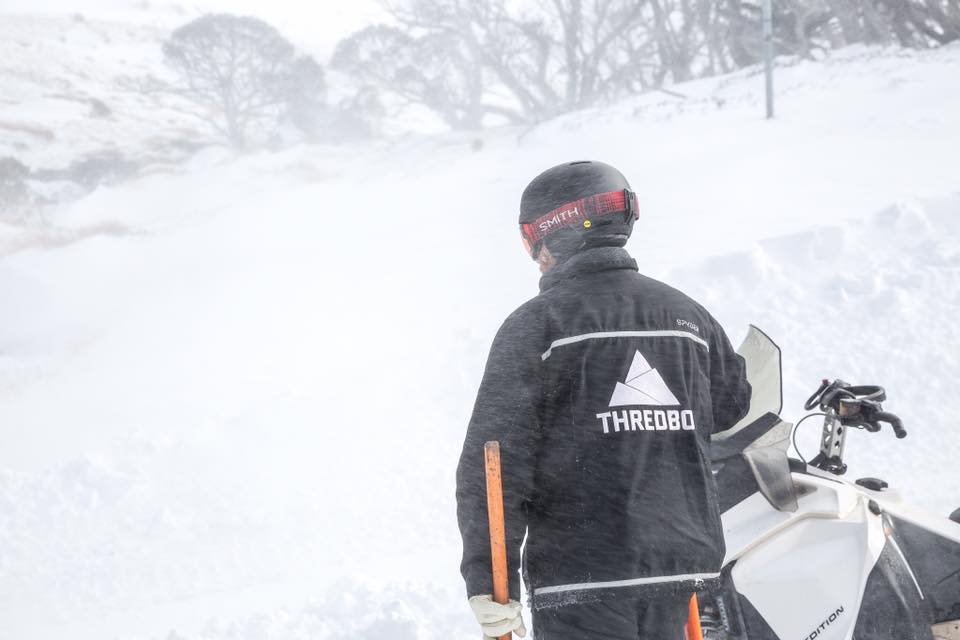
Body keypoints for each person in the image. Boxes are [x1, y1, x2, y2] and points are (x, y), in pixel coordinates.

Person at [456, 160, 751, 639]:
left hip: (582, 580)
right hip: (677, 574)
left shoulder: (537, 326)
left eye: (533, 240)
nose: (536, 257)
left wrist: (489, 582)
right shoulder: (689, 318)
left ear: (554, 233)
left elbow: (493, 464)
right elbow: (732, 407)